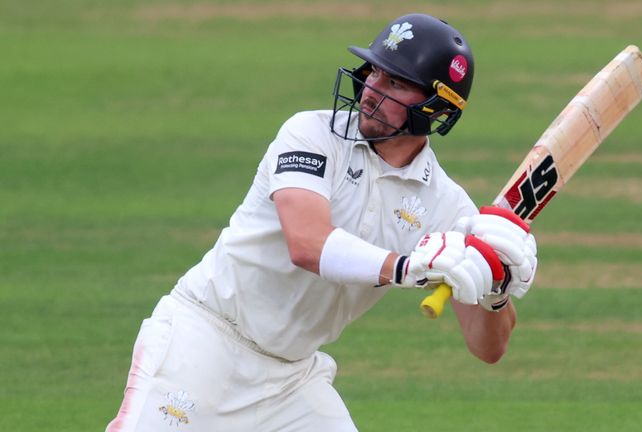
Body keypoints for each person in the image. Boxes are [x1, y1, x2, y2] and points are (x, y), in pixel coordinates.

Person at [106, 13, 537, 432]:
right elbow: (308, 243)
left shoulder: (447, 207)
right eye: (374, 72)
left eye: (396, 82)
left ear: (436, 107)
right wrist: (409, 267)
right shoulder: (310, 134)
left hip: (290, 381)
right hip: (202, 343)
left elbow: (488, 349)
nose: (371, 89)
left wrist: (494, 287)